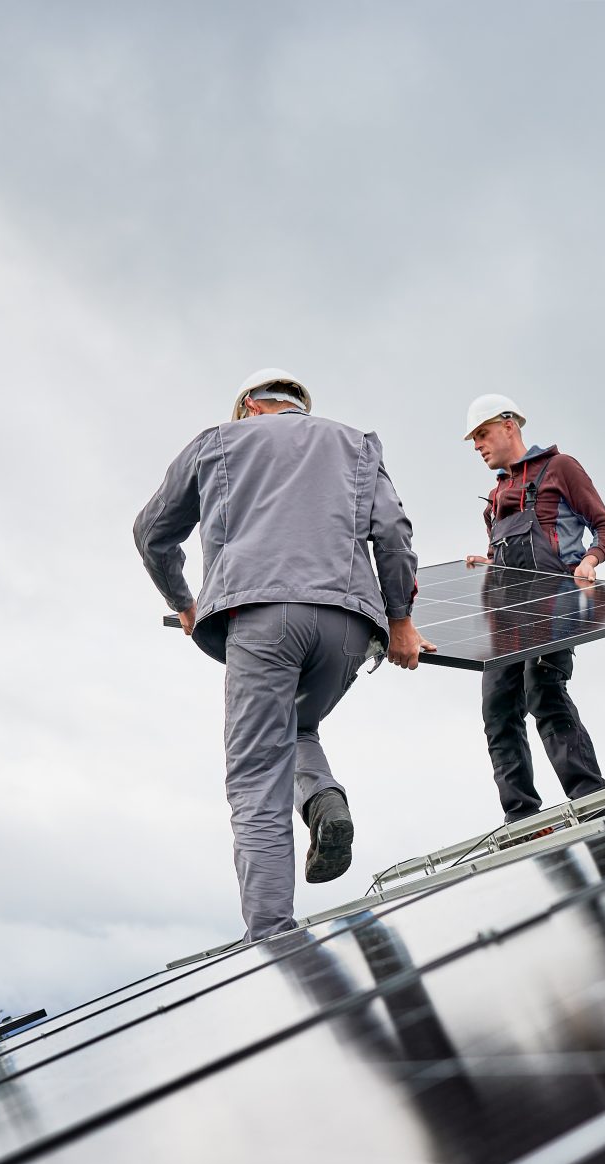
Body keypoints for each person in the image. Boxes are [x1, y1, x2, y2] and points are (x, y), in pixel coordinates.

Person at [135, 367, 435, 943]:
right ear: (301, 405)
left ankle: (271, 938)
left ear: (248, 405)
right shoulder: (356, 443)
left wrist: (184, 602)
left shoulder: (218, 442)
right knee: (296, 727)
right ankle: (323, 800)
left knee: (254, 779)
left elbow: (151, 533)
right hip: (349, 626)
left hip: (261, 619)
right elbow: (394, 531)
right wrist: (400, 619)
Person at [460, 394, 605, 821]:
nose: (477, 445)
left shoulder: (560, 468)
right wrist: (488, 562)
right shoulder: (496, 496)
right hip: (505, 617)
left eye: (482, 433)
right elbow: (513, 557)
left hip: (554, 609)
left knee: (543, 692)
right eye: (473, 438)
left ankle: (591, 800)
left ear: (509, 425)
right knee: (497, 713)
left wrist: (590, 560)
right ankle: (522, 819)